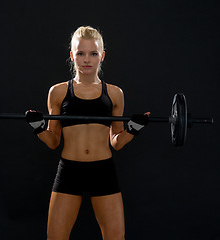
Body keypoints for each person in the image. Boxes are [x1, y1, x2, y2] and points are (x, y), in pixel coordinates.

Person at [25, 26, 149, 240]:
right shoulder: (59, 92)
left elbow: (116, 142)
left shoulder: (114, 93)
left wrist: (133, 129)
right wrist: (38, 128)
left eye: (93, 53)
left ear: (102, 56)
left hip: (103, 171)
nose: (86, 59)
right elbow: (53, 141)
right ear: (72, 55)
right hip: (70, 171)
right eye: (80, 53)